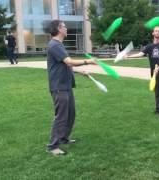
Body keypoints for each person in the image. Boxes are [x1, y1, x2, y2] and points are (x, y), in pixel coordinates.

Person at [46, 20, 96, 155]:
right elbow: (69, 61)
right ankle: (53, 146)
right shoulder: (54, 45)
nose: (67, 28)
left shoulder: (59, 45)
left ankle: (63, 138)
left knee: (70, 115)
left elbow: (65, 65)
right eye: (64, 26)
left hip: (66, 86)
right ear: (58, 29)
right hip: (59, 87)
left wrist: (81, 72)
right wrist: (88, 61)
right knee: (61, 116)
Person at [127, 26, 159, 118]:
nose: (157, 32)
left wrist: (158, 68)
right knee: (156, 93)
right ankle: (158, 109)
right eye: (156, 31)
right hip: (154, 74)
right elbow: (140, 54)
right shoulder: (149, 46)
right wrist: (128, 56)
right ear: (153, 33)